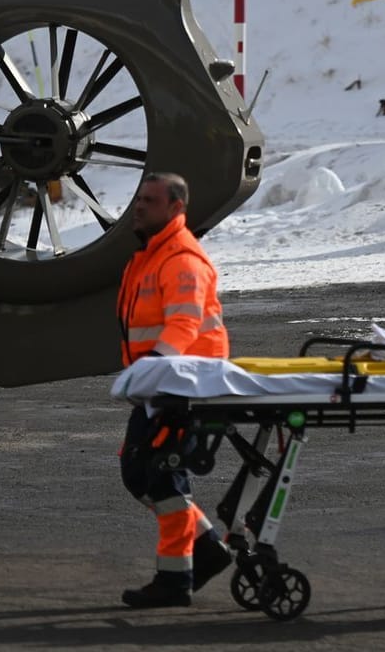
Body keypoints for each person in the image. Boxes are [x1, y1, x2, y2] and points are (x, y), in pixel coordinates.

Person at [116, 172, 234, 608]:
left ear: (176, 209)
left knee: (163, 477)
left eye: (149, 200)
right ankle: (206, 551)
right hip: (158, 386)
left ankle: (174, 581)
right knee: (138, 474)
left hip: (182, 386)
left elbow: (184, 324)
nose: (139, 206)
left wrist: (151, 368)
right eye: (138, 198)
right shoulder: (147, 257)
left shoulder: (182, 259)